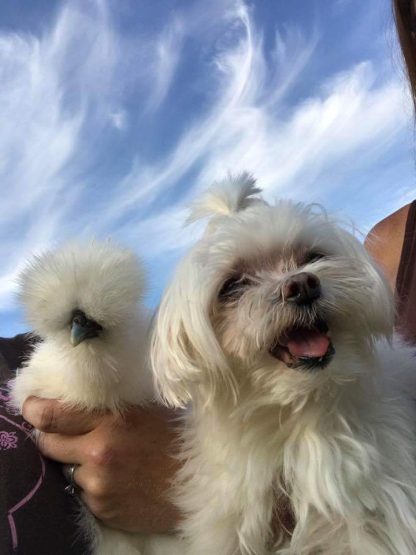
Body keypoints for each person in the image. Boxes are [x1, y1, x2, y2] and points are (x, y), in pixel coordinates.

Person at [1, 0, 415, 552]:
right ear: (189, 336)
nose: (296, 285)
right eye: (235, 287)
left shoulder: (390, 404)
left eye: (312, 258)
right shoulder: (391, 244)